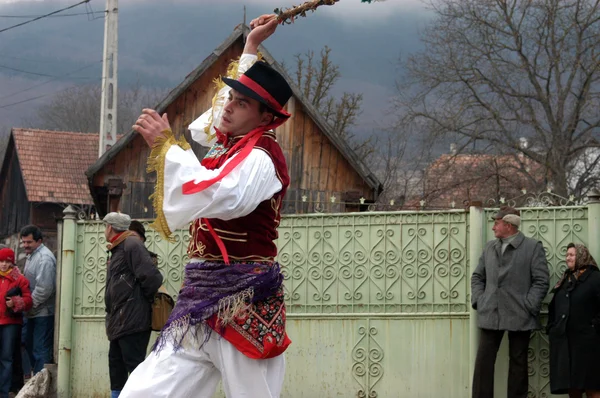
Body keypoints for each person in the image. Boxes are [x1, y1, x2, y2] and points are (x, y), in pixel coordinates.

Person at [121, 14, 291, 398]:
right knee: (143, 393)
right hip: (198, 299)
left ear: (266, 117)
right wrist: (251, 46)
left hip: (244, 300)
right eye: (230, 97)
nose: (228, 108)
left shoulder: (264, 156)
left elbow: (221, 195)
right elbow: (222, 111)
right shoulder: (227, 143)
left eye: (241, 103)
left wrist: (168, 146)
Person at [471, 206, 550, 398]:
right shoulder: (490, 247)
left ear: (508, 225)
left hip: (520, 314)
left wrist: (528, 305)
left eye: (496, 223)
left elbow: (541, 280)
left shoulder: (532, 247)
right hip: (491, 311)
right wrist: (480, 300)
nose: (493, 227)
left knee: (518, 363)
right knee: (483, 363)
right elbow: (477, 277)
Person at [103, 212, 164, 398]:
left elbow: (153, 278)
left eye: (105, 226)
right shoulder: (118, 247)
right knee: (116, 368)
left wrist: (137, 302)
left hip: (132, 320)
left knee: (135, 368)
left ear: (110, 227)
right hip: (118, 320)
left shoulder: (131, 245)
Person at [547, 243, 600, 398]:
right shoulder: (566, 279)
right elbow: (554, 305)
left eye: (572, 254)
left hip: (589, 343)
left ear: (582, 256)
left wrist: (594, 326)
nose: (567, 258)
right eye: (567, 255)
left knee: (592, 386)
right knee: (573, 386)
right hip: (567, 344)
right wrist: (552, 327)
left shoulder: (595, 278)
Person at [19, 225, 56, 375]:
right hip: (33, 311)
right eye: (24, 242)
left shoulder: (44, 258)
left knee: (40, 349)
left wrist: (28, 304)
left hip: (42, 312)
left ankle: (42, 386)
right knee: (31, 346)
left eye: (29, 242)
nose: (25, 245)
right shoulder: (32, 255)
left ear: (39, 241)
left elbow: (44, 289)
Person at [0, 248, 32, 398]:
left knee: (7, 357)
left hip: (11, 323)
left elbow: (28, 301)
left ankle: (4, 392)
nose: (4, 264)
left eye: (7, 261)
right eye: (1, 261)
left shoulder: (20, 279)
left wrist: (15, 302)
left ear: (12, 263)